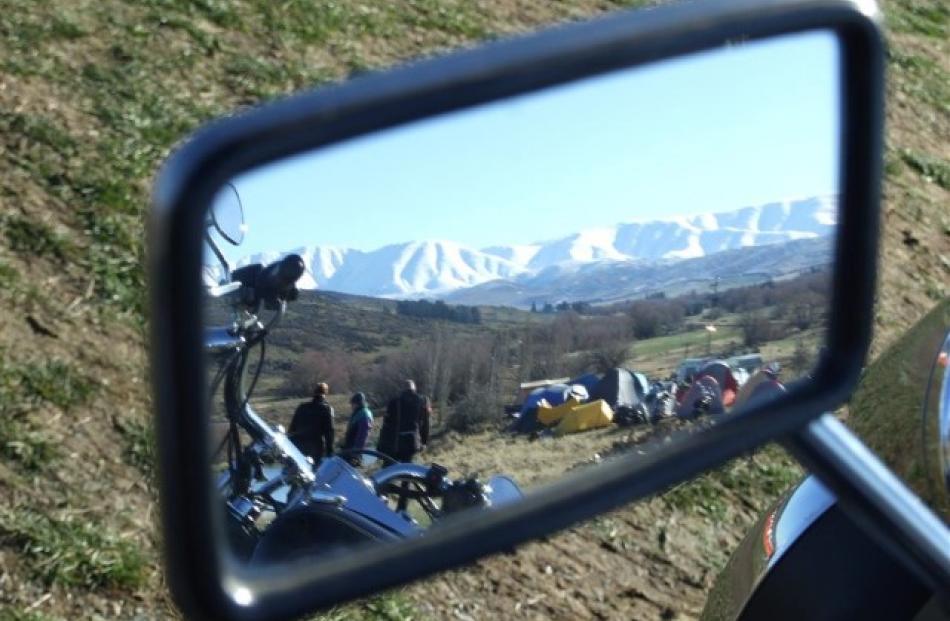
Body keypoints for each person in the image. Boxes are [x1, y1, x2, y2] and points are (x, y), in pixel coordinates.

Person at [378, 379, 430, 463]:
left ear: (403, 389)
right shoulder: (422, 401)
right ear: (414, 389)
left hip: (396, 442)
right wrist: (424, 442)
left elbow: (386, 425)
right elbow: (425, 424)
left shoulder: (394, 402)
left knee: (391, 470)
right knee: (409, 469)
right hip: (413, 443)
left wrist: (381, 446)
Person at [288, 382, 334, 462]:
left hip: (299, 445)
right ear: (326, 392)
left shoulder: (302, 407)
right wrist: (330, 451)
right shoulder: (327, 409)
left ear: (314, 392)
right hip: (315, 447)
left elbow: (292, 428)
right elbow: (329, 432)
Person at [341, 392, 374, 464]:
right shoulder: (358, 413)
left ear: (357, 403)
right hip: (349, 450)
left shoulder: (364, 415)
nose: (351, 406)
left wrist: (355, 453)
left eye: (352, 404)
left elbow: (362, 436)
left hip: (354, 452)